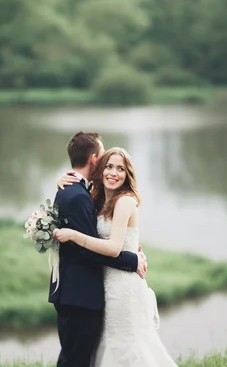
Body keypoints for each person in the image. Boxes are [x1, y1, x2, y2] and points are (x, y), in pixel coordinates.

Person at [54, 146, 178, 367]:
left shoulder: (125, 201)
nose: (113, 172)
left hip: (123, 287)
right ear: (100, 169)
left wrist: (74, 235)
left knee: (127, 347)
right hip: (105, 284)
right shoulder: (97, 198)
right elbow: (79, 196)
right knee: (108, 346)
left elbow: (113, 248)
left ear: (127, 174)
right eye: (109, 166)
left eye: (120, 169)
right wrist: (61, 180)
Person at [48, 132, 148, 367]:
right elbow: (88, 250)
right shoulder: (84, 195)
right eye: (106, 162)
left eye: (119, 168)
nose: (110, 170)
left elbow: (107, 243)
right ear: (95, 160)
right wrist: (131, 260)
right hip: (82, 294)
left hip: (107, 289)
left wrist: (131, 254)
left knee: (112, 351)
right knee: (80, 358)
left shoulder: (92, 195)